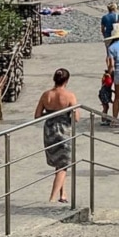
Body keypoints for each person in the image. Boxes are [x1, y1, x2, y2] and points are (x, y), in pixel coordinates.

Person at [34, 68, 78, 203]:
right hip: (64, 130)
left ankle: (62, 194)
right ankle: (52, 199)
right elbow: (76, 117)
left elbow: (37, 115)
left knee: (58, 163)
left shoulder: (46, 95)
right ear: (67, 80)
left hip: (49, 130)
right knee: (63, 164)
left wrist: (51, 114)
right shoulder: (70, 95)